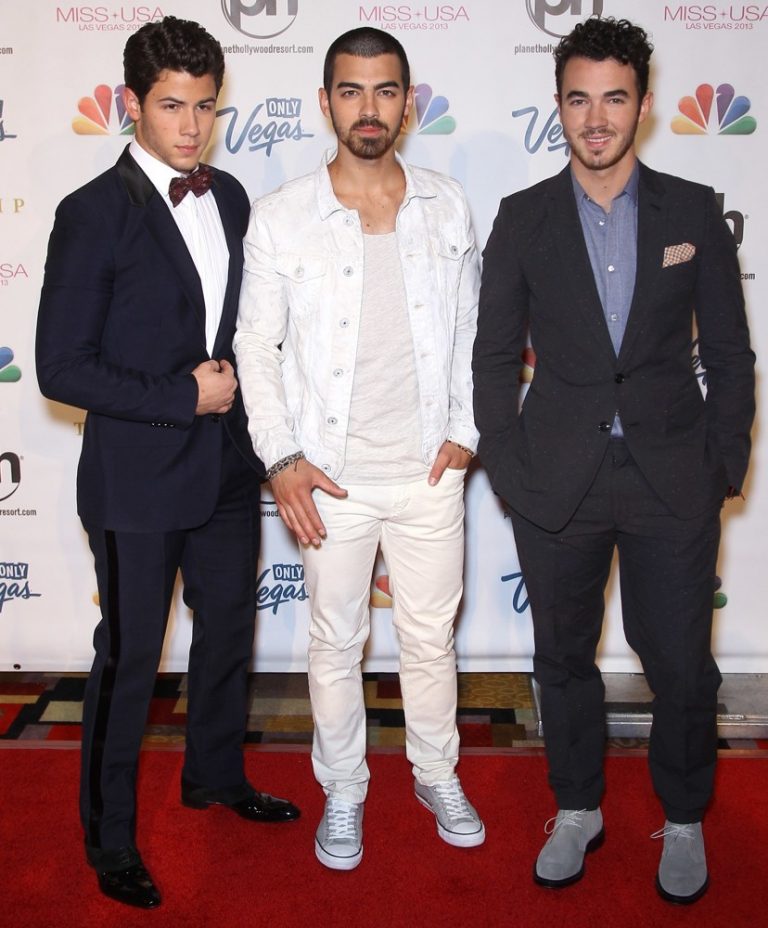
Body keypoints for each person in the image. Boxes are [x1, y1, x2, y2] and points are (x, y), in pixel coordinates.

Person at [473, 15, 754, 905]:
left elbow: (732, 352)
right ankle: (577, 806)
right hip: (557, 478)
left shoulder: (694, 211)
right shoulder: (522, 218)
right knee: (561, 658)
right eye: (579, 99)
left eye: (614, 98)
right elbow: (492, 356)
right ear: (558, 105)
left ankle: (684, 815)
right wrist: (507, 464)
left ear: (644, 104)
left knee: (680, 664)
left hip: (674, 477)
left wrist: (724, 461)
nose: (596, 119)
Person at [36, 15, 299, 910]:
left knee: (227, 634)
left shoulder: (231, 197)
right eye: (172, 106)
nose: (191, 127)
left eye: (205, 107)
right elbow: (61, 367)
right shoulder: (90, 213)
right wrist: (181, 396)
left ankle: (214, 776)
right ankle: (108, 839)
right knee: (131, 660)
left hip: (225, 469)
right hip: (136, 482)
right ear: (131, 105)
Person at [235, 26, 484, 871]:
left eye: (385, 90)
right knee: (335, 644)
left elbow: (471, 330)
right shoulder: (281, 216)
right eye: (351, 90)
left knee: (430, 641)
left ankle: (437, 773)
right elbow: (254, 347)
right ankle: (343, 787)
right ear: (325, 102)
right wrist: (281, 458)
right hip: (328, 478)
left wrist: (465, 431)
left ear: (408, 104)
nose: (368, 108)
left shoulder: (447, 204)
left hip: (428, 474)